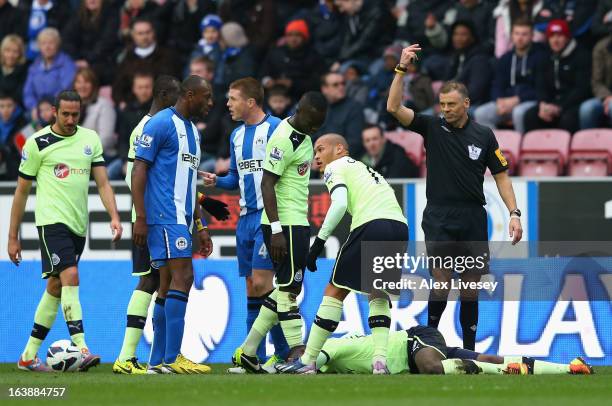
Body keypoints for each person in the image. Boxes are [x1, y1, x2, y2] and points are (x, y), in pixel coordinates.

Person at [387, 45, 524, 351]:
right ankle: (429, 342)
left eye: (450, 104)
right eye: (442, 104)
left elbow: (501, 175)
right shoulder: (431, 126)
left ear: (466, 103)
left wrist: (514, 213)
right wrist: (401, 69)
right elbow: (394, 108)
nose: (445, 109)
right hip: (439, 215)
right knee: (441, 282)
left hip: (473, 216)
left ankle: (470, 351)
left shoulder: (484, 135)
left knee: (471, 288)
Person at [8, 90, 123, 372]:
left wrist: (114, 216)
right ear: (53, 112)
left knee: (56, 286)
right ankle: (82, 347)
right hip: (51, 222)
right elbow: (21, 192)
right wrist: (13, 236)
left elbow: (104, 183)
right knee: (70, 275)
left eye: (75, 114)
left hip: (78, 225)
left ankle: (27, 356)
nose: (71, 119)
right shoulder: (37, 144)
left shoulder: (90, 139)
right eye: (65, 114)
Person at [276, 133, 408, 374]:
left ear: (339, 149)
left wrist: (319, 243)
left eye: (321, 149)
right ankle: (380, 361)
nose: (316, 156)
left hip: (372, 224)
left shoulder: (335, 166)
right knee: (377, 293)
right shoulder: (365, 168)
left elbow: (338, 204)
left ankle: (308, 361)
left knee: (335, 290)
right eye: (314, 152)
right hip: (399, 227)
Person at [232, 91, 328, 373]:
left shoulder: (306, 138)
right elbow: (266, 184)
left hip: (296, 221)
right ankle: (298, 354)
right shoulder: (283, 139)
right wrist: (275, 230)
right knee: (289, 290)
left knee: (286, 288)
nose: (315, 127)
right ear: (301, 109)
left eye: (320, 123)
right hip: (283, 224)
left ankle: (248, 352)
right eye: (313, 120)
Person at [200, 78, 289, 367]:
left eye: (233, 98)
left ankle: (285, 352)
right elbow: (237, 180)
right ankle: (257, 359)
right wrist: (219, 181)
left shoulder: (276, 129)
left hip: (268, 218)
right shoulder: (236, 136)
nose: (228, 104)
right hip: (245, 218)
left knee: (264, 284)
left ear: (251, 102)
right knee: (252, 287)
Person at [131, 75, 214, 374]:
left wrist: (200, 225)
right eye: (206, 97)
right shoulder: (161, 124)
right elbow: (138, 170)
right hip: (164, 216)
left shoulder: (193, 131)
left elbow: (190, 184)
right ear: (189, 95)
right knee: (184, 277)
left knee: (166, 286)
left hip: (182, 218)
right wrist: (141, 217)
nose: (210, 103)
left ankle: (157, 362)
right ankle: (173, 357)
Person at [112, 75, 180, 374]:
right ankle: (126, 357)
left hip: (160, 218)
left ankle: (160, 356)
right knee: (149, 281)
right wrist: (143, 217)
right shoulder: (145, 128)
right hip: (149, 220)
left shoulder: (163, 125)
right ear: (163, 95)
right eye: (176, 97)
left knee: (159, 282)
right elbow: (133, 175)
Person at [314, 326, 594, 375]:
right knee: (489, 358)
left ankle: (503, 371)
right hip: (417, 350)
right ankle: (569, 367)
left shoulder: (329, 345)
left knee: (432, 368)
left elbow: (316, 359)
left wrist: (297, 364)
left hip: (414, 341)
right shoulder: (329, 364)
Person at [474, 19, 545, 134]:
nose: (520, 38)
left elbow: (541, 88)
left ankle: (520, 149)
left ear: (532, 36)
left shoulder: (541, 57)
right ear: (512, 35)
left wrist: (518, 99)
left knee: (519, 112)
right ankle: (494, 149)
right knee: (481, 113)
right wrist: (500, 101)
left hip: (530, 101)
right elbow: (497, 84)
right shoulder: (505, 58)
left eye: (524, 34)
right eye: (517, 33)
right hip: (507, 102)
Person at [523, 19, 592, 134]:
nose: (555, 40)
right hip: (551, 104)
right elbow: (540, 85)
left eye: (559, 36)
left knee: (568, 119)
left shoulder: (582, 55)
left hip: (573, 103)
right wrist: (543, 104)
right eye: (552, 36)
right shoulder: (544, 56)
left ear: (567, 37)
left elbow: (582, 89)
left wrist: (559, 107)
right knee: (530, 116)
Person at [112, 19, 180, 107]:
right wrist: (122, 103)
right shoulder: (126, 59)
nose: (145, 36)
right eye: (140, 33)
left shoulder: (168, 56)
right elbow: (117, 88)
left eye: (148, 32)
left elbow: (175, 86)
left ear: (153, 33)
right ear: (133, 35)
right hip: (131, 108)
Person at [259, 19, 322, 102]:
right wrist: (266, 81)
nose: (293, 39)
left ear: (304, 37)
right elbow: (263, 73)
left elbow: (317, 83)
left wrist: (293, 84)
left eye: (297, 35)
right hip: (273, 99)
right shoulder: (275, 53)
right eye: (290, 35)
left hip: (301, 99)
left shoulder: (313, 56)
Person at [61, 0, 120, 86]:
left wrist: (88, 60)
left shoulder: (111, 14)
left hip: (102, 60)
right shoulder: (78, 14)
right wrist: (76, 59)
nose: (92, 0)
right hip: (78, 60)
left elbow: (107, 42)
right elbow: (67, 39)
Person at [23, 28, 76, 117]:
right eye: (43, 43)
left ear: (57, 45)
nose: (47, 47)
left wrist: (48, 107)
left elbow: (66, 90)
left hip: (59, 110)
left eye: (51, 43)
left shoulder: (67, 64)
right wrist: (35, 107)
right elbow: (28, 93)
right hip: (37, 111)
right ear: (39, 46)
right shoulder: (34, 66)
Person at [444, 20, 493, 107]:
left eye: (463, 34)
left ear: (473, 37)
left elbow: (475, 92)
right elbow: (446, 83)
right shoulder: (456, 56)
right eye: (455, 34)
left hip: (472, 106)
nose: (458, 38)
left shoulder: (479, 59)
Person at [316, 72, 365, 157]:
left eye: (343, 83)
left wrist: (326, 157)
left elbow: (354, 144)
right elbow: (312, 137)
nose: (341, 87)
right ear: (324, 89)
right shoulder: (319, 107)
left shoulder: (354, 108)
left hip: (342, 162)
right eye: (336, 85)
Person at [73, 68, 117, 160]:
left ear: (93, 85)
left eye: (86, 82)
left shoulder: (104, 105)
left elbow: (106, 139)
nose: (82, 86)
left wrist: (83, 155)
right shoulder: (72, 105)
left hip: (100, 157)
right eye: (79, 82)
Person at [579, 33, 612, 129]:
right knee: (587, 109)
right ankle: (588, 143)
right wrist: (607, 96)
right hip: (606, 95)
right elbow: (596, 82)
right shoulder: (601, 47)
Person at [0, 92, 27, 180]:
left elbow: (27, 154)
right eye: (2, 106)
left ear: (15, 106)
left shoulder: (24, 124)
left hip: (17, 175)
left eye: (9, 106)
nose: (5, 110)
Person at [0, 35, 28, 106]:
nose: (10, 55)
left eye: (15, 51)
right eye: (7, 50)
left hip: (16, 107)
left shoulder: (25, 69)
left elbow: (20, 94)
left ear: (20, 53)